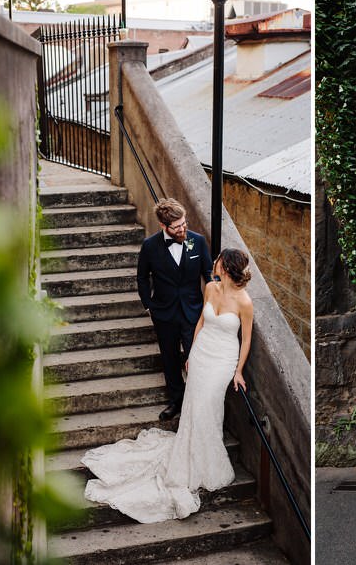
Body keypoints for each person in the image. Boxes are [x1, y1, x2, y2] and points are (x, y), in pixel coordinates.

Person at [82, 248, 254, 523]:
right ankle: (189, 451)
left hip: (223, 360)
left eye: (218, 261)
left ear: (227, 266)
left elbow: (245, 339)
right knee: (193, 406)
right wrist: (191, 352)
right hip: (201, 354)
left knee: (208, 407)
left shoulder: (245, 302)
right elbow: (200, 321)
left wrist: (239, 371)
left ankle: (206, 460)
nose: (214, 263)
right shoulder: (210, 287)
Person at [136, 198, 212, 421]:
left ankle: (197, 403)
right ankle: (176, 401)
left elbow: (208, 274)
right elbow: (142, 277)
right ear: (163, 226)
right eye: (177, 227)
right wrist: (148, 305)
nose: (182, 229)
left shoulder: (196, 241)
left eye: (184, 224)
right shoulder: (150, 246)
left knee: (195, 358)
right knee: (169, 359)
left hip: (193, 312)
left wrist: (211, 303)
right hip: (164, 313)